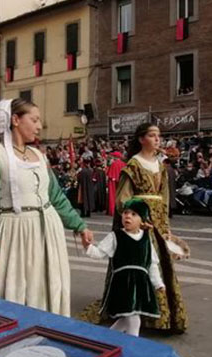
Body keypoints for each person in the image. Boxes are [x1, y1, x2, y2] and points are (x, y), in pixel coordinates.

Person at [0, 99, 94, 317]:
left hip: (47, 232)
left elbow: (56, 197)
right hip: (13, 233)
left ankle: (44, 332)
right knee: (8, 292)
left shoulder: (40, 157)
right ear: (15, 120)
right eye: (34, 120)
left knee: (45, 288)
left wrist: (80, 226)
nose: (39, 126)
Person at [81, 122, 188, 333]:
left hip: (157, 220)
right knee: (139, 260)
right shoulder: (133, 165)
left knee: (156, 262)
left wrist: (165, 224)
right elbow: (123, 198)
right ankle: (134, 310)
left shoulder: (161, 166)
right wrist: (138, 217)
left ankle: (160, 313)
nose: (157, 139)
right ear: (141, 139)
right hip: (142, 219)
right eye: (152, 135)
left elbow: (164, 198)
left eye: (158, 135)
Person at [86, 198, 165, 337]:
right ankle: (132, 345)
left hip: (140, 285)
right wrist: (87, 245)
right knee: (133, 320)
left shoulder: (146, 240)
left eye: (134, 214)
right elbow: (99, 253)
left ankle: (106, 339)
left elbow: (151, 264)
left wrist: (158, 283)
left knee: (126, 319)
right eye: (125, 213)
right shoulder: (115, 236)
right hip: (123, 284)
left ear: (142, 221)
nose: (128, 216)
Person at [106, 152, 126, 216]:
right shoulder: (123, 164)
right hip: (121, 181)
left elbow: (109, 174)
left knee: (112, 195)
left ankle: (112, 210)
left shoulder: (113, 164)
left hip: (113, 180)